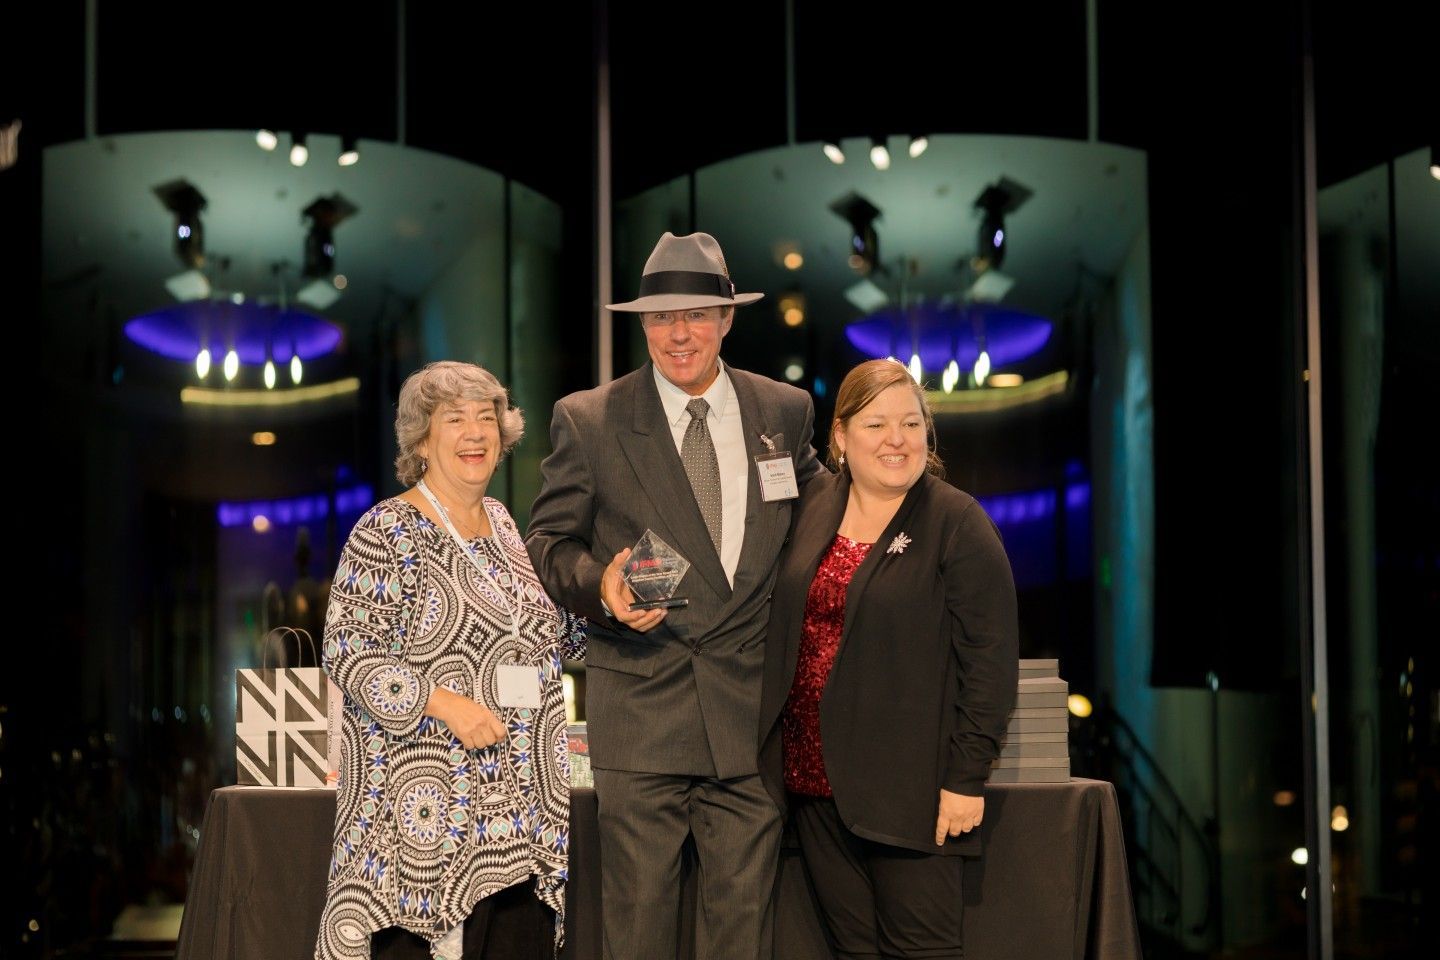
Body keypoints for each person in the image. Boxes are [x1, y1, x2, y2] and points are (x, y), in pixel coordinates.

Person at [525, 231, 824, 960]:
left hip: (750, 714)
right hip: (643, 708)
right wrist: (601, 583)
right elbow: (546, 547)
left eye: (695, 314)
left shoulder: (783, 412)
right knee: (638, 935)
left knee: (741, 935)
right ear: (642, 325)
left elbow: (820, 524)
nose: (678, 333)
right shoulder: (589, 420)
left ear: (726, 318)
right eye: (661, 317)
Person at [316, 361, 584, 960]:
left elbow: (549, 638)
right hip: (425, 839)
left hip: (523, 830)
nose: (475, 433)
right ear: (421, 438)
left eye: (486, 419)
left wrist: (613, 597)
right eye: (454, 419)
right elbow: (349, 654)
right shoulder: (386, 529)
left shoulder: (508, 528)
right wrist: (444, 702)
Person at [757, 358, 1019, 960]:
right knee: (853, 951)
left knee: (920, 951)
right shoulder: (815, 506)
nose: (896, 440)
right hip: (814, 785)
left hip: (911, 793)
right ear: (842, 437)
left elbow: (991, 664)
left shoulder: (958, 523)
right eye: (876, 425)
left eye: (910, 423)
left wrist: (965, 778)